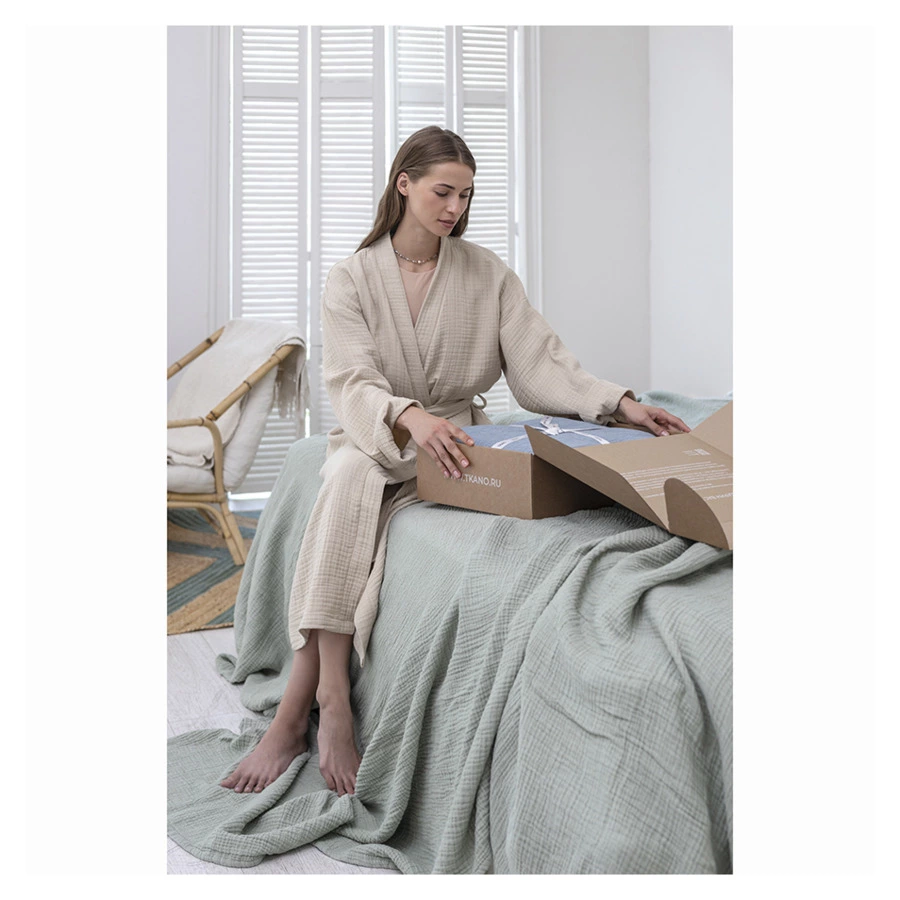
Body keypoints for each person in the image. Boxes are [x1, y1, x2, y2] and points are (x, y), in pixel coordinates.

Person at [219, 126, 690, 798]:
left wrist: (619, 403)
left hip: (459, 439)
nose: (455, 208)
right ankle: (328, 700)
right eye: (443, 192)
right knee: (347, 475)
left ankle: (297, 709)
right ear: (403, 184)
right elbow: (350, 378)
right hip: (381, 433)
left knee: (360, 490)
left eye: (466, 196)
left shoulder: (487, 275)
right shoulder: (351, 279)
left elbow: (541, 365)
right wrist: (408, 416)